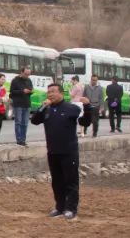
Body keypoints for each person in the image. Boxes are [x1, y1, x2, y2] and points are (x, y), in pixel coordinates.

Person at [32, 83, 89, 219]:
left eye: (53, 91)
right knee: (57, 181)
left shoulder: (71, 108)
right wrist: (42, 107)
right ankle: (60, 207)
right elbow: (34, 121)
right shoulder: (47, 109)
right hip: (53, 151)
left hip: (68, 151)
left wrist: (88, 107)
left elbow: (85, 122)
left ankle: (71, 209)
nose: (50, 94)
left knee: (71, 181)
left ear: (61, 94)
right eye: (48, 92)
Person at [9, 66, 34, 147]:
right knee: (18, 122)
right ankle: (19, 140)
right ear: (22, 72)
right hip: (18, 104)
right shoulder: (15, 80)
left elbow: (31, 89)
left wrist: (30, 91)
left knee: (25, 123)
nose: (27, 76)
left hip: (27, 103)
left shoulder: (29, 80)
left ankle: (23, 139)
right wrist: (22, 91)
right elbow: (12, 92)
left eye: (28, 74)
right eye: (26, 74)